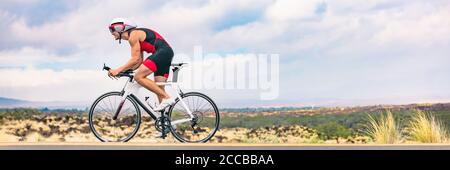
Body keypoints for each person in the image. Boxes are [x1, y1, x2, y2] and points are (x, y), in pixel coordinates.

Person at [107, 17, 175, 111]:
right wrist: (124, 71)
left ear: (120, 28)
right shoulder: (136, 35)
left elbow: (134, 59)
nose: (111, 33)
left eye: (112, 30)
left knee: (138, 77)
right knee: (159, 88)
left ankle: (167, 98)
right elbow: (138, 62)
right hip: (166, 53)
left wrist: (117, 70)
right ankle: (164, 121)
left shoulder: (133, 35)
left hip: (162, 53)